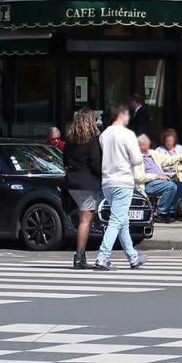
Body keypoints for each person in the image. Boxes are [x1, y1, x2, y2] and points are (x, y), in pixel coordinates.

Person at [94, 104, 147, 271]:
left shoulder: (104, 135)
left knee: (122, 221)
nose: (129, 117)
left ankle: (133, 257)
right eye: (127, 115)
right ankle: (103, 256)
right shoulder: (127, 134)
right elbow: (137, 159)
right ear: (122, 115)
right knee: (117, 221)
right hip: (123, 180)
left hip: (107, 181)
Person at [63, 108, 102, 269]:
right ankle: (79, 257)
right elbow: (95, 163)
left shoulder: (70, 139)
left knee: (81, 220)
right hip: (87, 183)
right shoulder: (92, 140)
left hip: (72, 182)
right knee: (85, 221)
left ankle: (81, 255)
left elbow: (65, 159)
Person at [136, 134, 182, 222]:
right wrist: (157, 176)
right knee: (171, 186)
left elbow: (168, 159)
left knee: (181, 186)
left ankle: (171, 211)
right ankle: (160, 213)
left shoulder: (152, 153)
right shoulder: (136, 158)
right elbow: (138, 177)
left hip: (160, 181)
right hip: (148, 183)